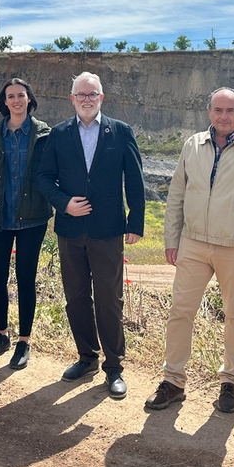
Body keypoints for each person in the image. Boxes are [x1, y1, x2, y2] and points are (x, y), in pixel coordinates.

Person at [145, 87, 234, 414]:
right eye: (218, 110)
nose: (223, 116)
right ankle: (174, 381)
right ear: (209, 112)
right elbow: (177, 193)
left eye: (230, 110)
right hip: (193, 242)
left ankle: (230, 383)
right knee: (180, 312)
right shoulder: (193, 145)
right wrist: (171, 239)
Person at [37, 71, 145, 399]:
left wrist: (135, 223)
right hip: (71, 230)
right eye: (81, 95)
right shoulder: (58, 134)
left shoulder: (121, 131)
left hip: (108, 229)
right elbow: (43, 177)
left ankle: (114, 366)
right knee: (76, 297)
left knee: (110, 299)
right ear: (72, 99)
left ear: (102, 98)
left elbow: (136, 179)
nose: (87, 99)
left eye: (92, 94)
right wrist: (64, 203)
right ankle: (86, 357)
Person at [0, 78, 52, 369]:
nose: (17, 100)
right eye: (11, 96)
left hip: (33, 217)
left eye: (21, 95)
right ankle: (0, 334)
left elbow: (52, 171)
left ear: (29, 100)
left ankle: (24, 340)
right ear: (4, 101)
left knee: (25, 279)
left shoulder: (45, 133)